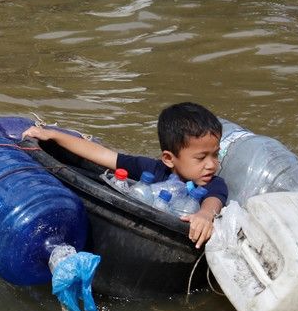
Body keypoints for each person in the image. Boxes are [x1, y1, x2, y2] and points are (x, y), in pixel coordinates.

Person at [22, 102, 227, 248]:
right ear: (169, 158)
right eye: (201, 158)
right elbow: (102, 155)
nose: (212, 165)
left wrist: (204, 216)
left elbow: (213, 201)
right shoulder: (152, 169)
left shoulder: (212, 184)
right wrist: (53, 135)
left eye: (215, 155)